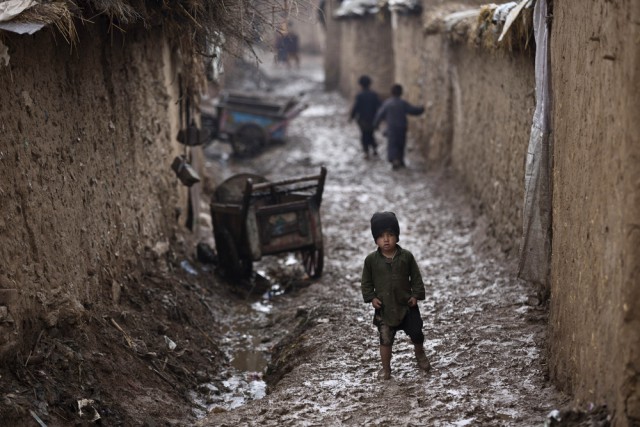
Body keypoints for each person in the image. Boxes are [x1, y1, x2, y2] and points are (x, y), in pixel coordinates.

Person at [361, 211, 431, 380]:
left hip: (407, 305)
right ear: (375, 239)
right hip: (384, 308)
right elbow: (366, 282)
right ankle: (386, 368)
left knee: (417, 333)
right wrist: (372, 298)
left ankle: (420, 355)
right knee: (385, 340)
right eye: (381, 236)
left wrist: (416, 295)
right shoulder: (371, 261)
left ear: (397, 237)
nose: (386, 240)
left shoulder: (406, 257)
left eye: (390, 235)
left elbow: (416, 277)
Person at [373, 84, 425, 169]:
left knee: (392, 144)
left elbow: (380, 114)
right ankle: (400, 160)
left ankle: (393, 159)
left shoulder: (387, 103)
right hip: (401, 127)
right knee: (401, 144)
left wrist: (375, 124)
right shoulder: (403, 103)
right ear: (401, 93)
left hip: (391, 128)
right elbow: (412, 110)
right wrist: (421, 109)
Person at [349, 75, 381, 159]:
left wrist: (351, 117)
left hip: (362, 120)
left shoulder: (360, 95)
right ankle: (374, 149)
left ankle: (366, 151)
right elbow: (379, 106)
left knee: (364, 135)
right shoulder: (374, 94)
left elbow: (356, 107)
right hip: (373, 119)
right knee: (371, 134)